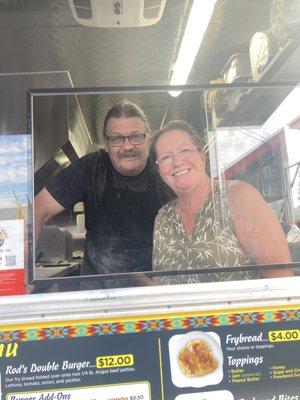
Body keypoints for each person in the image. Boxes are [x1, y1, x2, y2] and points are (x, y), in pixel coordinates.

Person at [35, 101, 169, 287]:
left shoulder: (165, 169)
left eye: (136, 137)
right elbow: (39, 207)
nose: (127, 146)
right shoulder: (91, 168)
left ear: (149, 139)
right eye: (117, 139)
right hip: (99, 294)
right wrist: (23, 268)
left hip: (154, 293)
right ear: (106, 144)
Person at [151, 120, 293, 284]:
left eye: (184, 151)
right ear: (159, 170)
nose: (177, 162)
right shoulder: (163, 217)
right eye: (166, 157)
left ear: (202, 156)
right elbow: (159, 285)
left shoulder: (238, 196)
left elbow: (281, 279)